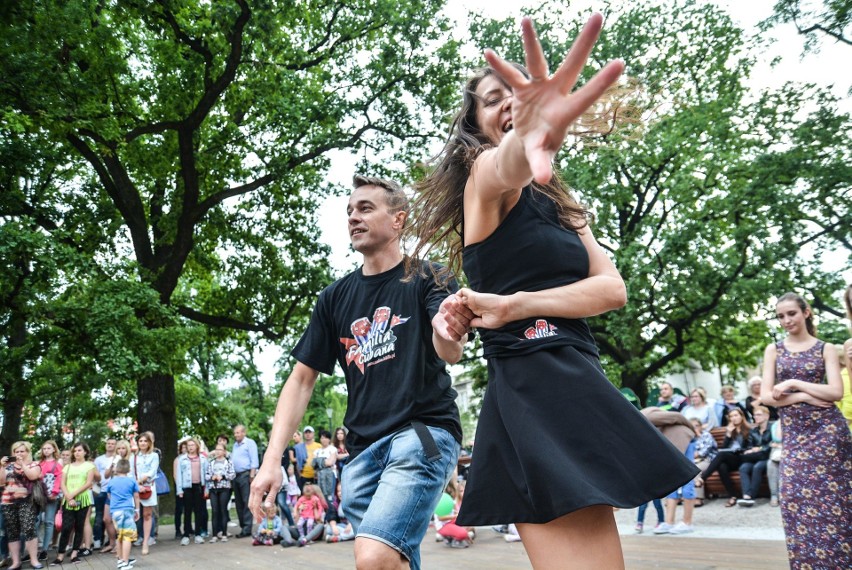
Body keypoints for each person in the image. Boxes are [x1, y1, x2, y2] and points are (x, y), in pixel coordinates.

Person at [408, 14, 698, 568]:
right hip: (531, 389)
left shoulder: (565, 207)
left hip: (577, 378)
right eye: (495, 98)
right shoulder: (484, 181)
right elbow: (505, 164)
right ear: (476, 125)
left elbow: (611, 289)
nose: (511, 102)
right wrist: (528, 137)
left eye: (519, 91)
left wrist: (520, 304)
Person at [249, 173, 465, 570]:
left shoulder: (429, 277)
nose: (353, 217)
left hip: (422, 433)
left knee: (372, 557)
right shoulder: (334, 298)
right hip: (362, 453)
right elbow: (300, 380)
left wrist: (448, 327)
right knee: (392, 562)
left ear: (399, 219)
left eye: (365, 208)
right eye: (349, 211)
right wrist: (271, 460)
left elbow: (449, 349)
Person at [758, 292, 852, 567]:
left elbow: (835, 391)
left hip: (828, 435)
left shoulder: (826, 348)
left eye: (792, 314)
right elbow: (765, 396)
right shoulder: (773, 349)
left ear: (806, 312)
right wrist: (805, 396)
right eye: (781, 316)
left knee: (836, 505)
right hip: (796, 437)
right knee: (793, 500)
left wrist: (794, 384)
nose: (786, 320)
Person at [0, 441, 44, 570]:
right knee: (12, 532)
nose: (19, 454)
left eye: (22, 451)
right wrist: (1, 466)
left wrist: (22, 464)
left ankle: (34, 560)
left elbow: (32, 476)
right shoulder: (7, 466)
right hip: (8, 502)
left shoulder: (34, 464)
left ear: (28, 452)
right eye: (16, 452)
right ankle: (16, 562)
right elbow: (1, 483)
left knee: (29, 529)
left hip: (27, 501)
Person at [51, 441, 95, 566]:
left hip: (83, 500)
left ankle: (75, 554)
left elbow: (88, 483)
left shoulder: (89, 466)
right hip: (68, 500)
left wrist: (73, 494)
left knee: (79, 527)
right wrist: (69, 497)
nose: (77, 453)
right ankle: (60, 556)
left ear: (85, 452)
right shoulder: (67, 467)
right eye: (75, 451)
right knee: (66, 527)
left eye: (79, 450)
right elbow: (62, 483)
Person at [695, 407, 750, 507]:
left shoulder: (748, 429)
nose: (733, 418)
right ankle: (733, 496)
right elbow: (724, 448)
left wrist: (738, 450)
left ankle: (703, 478)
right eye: (731, 416)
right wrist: (728, 434)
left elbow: (748, 447)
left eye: (736, 415)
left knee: (721, 455)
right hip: (730, 458)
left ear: (742, 416)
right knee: (722, 466)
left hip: (742, 458)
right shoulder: (730, 430)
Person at [103, 459, 139, 570]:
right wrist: (137, 510)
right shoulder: (132, 481)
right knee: (128, 536)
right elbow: (136, 496)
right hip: (127, 510)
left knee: (120, 535)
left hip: (115, 511)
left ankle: (120, 558)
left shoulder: (112, 481)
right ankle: (125, 561)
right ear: (128, 469)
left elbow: (109, 495)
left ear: (116, 468)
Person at [102, 439, 133, 555]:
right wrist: (112, 465)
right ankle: (112, 542)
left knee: (120, 521)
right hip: (111, 492)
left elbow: (131, 477)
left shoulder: (130, 460)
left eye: (123, 448)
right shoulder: (112, 459)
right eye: (119, 448)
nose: (121, 450)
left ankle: (120, 545)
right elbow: (105, 475)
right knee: (107, 519)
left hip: (124, 494)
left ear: (127, 449)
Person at [737, 405, 773, 507]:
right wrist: (750, 450)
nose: (755, 417)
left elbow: (772, 443)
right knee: (743, 468)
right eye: (754, 415)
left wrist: (760, 448)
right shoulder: (753, 431)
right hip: (755, 457)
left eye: (759, 415)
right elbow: (750, 446)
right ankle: (746, 496)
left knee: (757, 467)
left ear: (766, 416)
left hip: (767, 456)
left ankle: (751, 496)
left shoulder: (772, 428)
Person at [176, 438, 208, 545]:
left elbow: (206, 474)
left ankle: (198, 534)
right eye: (189, 445)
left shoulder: (202, 458)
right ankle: (186, 534)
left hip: (198, 487)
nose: (190, 447)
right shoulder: (182, 459)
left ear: (197, 446)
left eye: (192, 445)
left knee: (199, 511)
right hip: (187, 487)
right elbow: (179, 475)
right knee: (187, 511)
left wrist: (206, 489)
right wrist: (179, 490)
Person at [36, 440, 63, 562]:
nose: (46, 450)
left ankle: (44, 550)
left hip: (51, 496)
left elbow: (59, 479)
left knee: (49, 522)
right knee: (35, 522)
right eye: (44, 448)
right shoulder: (39, 463)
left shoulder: (57, 464)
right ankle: (35, 548)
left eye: (48, 448)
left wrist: (55, 492)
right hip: (39, 495)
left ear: (53, 450)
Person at [133, 432, 158, 556]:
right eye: (140, 441)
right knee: (134, 513)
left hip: (149, 487)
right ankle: (131, 538)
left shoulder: (154, 456)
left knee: (147, 514)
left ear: (149, 443)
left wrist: (141, 482)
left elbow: (152, 471)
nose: (143, 443)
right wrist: (136, 485)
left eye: (145, 441)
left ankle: (146, 542)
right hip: (135, 488)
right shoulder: (134, 457)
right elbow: (131, 473)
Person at [231, 425, 258, 539]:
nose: (236, 435)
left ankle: (247, 528)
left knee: (246, 502)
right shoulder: (235, 446)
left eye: (238, 432)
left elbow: (254, 460)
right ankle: (243, 526)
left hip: (246, 475)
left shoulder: (249, 443)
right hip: (235, 476)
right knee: (238, 503)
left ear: (244, 433)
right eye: (235, 433)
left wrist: (252, 476)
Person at [92, 438, 116, 551]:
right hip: (101, 489)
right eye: (108, 443)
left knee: (112, 517)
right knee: (99, 515)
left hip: (114, 491)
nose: (110, 445)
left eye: (113, 444)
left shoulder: (118, 458)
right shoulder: (98, 459)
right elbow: (95, 475)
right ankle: (98, 539)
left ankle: (112, 539)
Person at [689, 418, 717, 508]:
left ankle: (698, 498)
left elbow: (702, 453)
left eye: (696, 426)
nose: (694, 428)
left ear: (701, 426)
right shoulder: (689, 437)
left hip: (708, 460)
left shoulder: (706, 435)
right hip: (693, 461)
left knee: (695, 470)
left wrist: (698, 436)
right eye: (692, 427)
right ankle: (681, 496)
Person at [311, 430, 338, 503]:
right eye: (322, 438)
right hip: (319, 476)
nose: (324, 440)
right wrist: (324, 461)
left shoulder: (332, 449)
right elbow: (313, 464)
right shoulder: (317, 451)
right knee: (320, 496)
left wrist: (318, 461)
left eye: (326, 438)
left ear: (329, 439)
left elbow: (330, 462)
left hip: (330, 474)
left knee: (330, 495)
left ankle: (332, 511)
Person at [766, 419, 782, 507]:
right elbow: (776, 439)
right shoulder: (775, 424)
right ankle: (774, 495)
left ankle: (783, 495)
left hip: (792, 451)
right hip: (777, 453)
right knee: (770, 464)